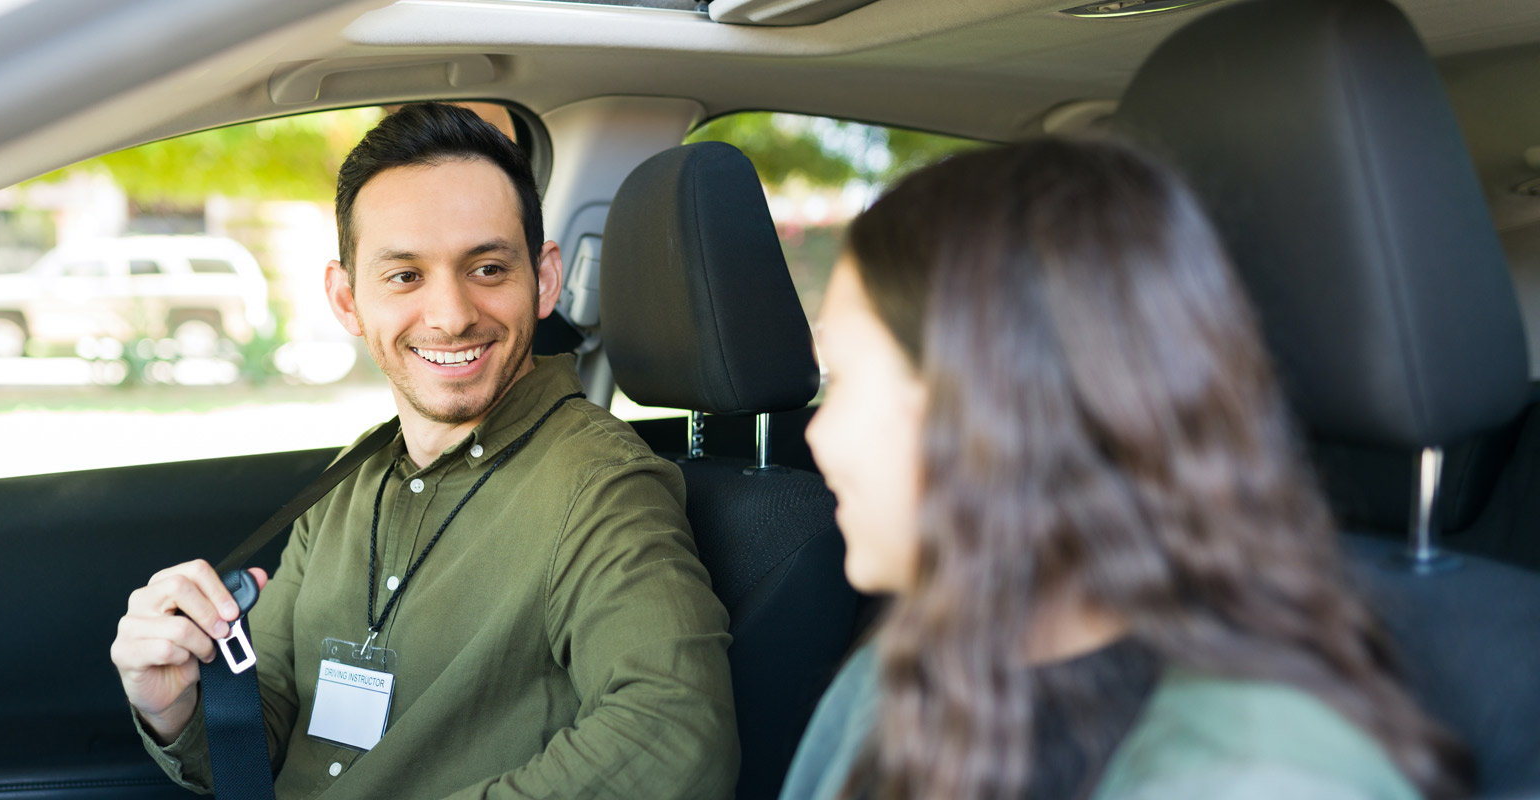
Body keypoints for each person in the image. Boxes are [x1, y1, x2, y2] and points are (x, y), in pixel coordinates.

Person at [782, 138, 1470, 800]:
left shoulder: (1264, 776)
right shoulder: (902, 676)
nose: (816, 433)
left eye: (840, 377)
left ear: (993, 407)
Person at [109, 103, 739, 799]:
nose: (450, 314)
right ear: (347, 300)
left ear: (545, 281)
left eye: (489, 268)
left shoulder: (601, 487)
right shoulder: (354, 477)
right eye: (405, 276)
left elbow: (677, 734)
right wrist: (175, 708)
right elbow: (275, 716)